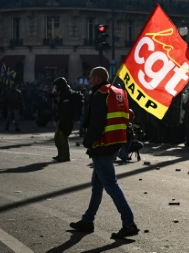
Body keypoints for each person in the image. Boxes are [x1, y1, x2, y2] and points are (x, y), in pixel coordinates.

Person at [69, 66, 139, 239]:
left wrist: (88, 141)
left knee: (110, 184)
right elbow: (128, 115)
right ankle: (88, 220)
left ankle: (129, 223)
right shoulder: (119, 92)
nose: (89, 80)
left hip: (102, 143)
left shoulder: (100, 94)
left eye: (91, 77)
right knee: (97, 185)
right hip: (116, 142)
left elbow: (97, 122)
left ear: (98, 78)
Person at [51, 77, 74, 162]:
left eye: (57, 85)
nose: (56, 87)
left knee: (63, 138)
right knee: (57, 138)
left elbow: (65, 108)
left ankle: (65, 156)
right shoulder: (62, 93)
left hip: (66, 119)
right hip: (63, 118)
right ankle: (60, 154)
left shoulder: (67, 93)